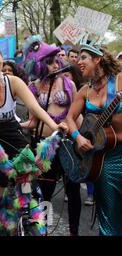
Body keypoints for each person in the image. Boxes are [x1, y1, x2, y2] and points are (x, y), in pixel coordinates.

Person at [0, 40, 68, 236]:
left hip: (10, 130)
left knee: (26, 164)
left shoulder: (14, 82)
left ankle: (27, 212)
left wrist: (55, 126)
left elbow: (35, 107)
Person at [20, 35, 81, 236]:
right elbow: (33, 122)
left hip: (67, 145)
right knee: (44, 193)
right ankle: (43, 230)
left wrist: (73, 130)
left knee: (72, 191)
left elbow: (75, 116)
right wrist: (14, 125)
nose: (55, 65)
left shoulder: (68, 85)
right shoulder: (33, 88)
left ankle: (74, 231)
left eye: (56, 61)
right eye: (49, 62)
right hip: (44, 147)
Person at [65, 36, 122, 236]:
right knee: (108, 215)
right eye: (77, 57)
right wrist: (78, 137)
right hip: (102, 160)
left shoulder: (120, 80)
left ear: (98, 59)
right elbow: (70, 118)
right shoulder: (84, 91)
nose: (78, 61)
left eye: (84, 57)